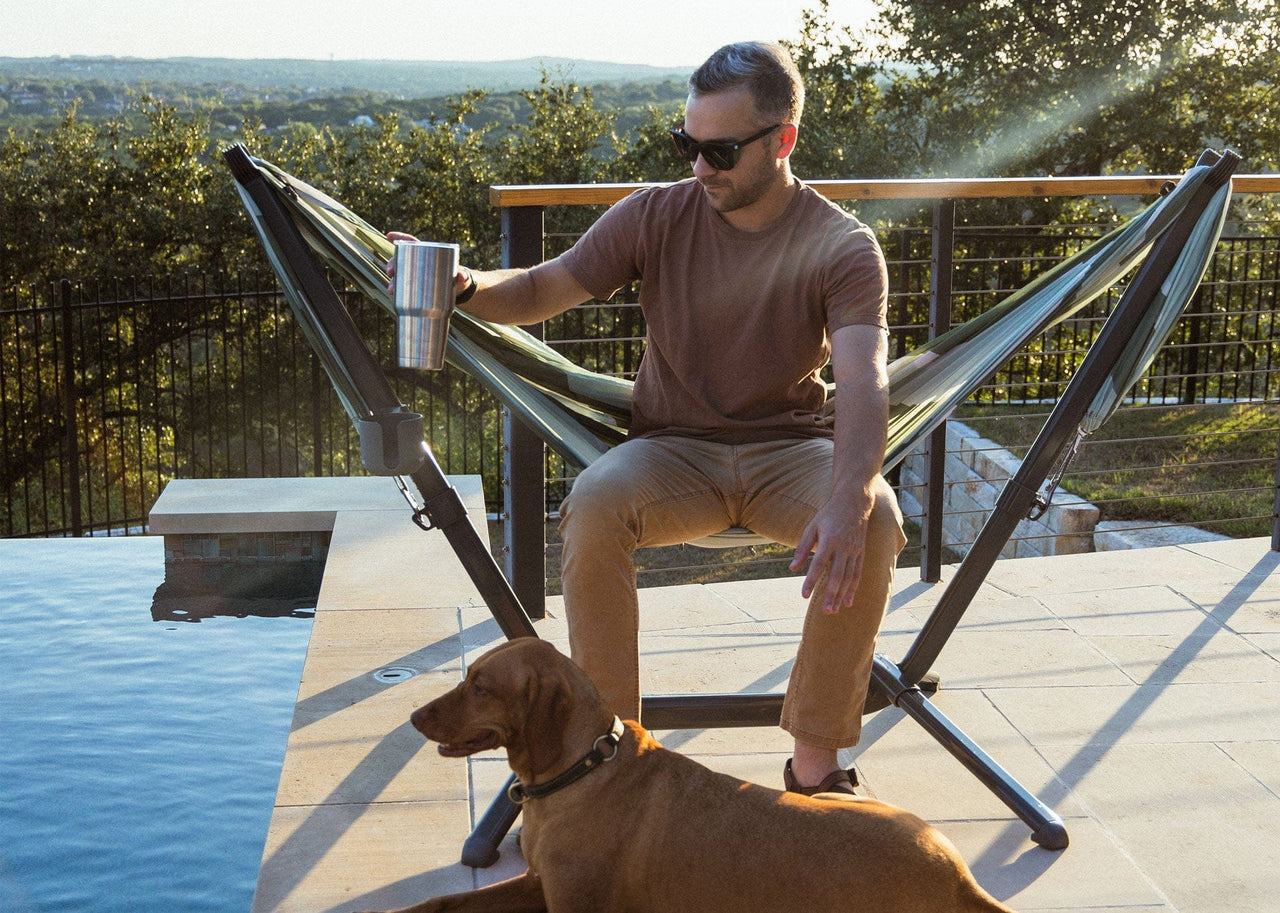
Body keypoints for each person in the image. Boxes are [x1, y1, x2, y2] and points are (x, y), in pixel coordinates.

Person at [391, 40, 905, 796]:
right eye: (687, 144)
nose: (701, 167)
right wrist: (468, 287)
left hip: (788, 449)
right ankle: (607, 752)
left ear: (782, 140)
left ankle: (815, 763)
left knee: (878, 517)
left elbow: (862, 377)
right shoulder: (658, 214)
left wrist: (850, 494)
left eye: (721, 150)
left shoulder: (841, 245)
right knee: (595, 503)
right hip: (672, 451)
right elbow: (544, 286)